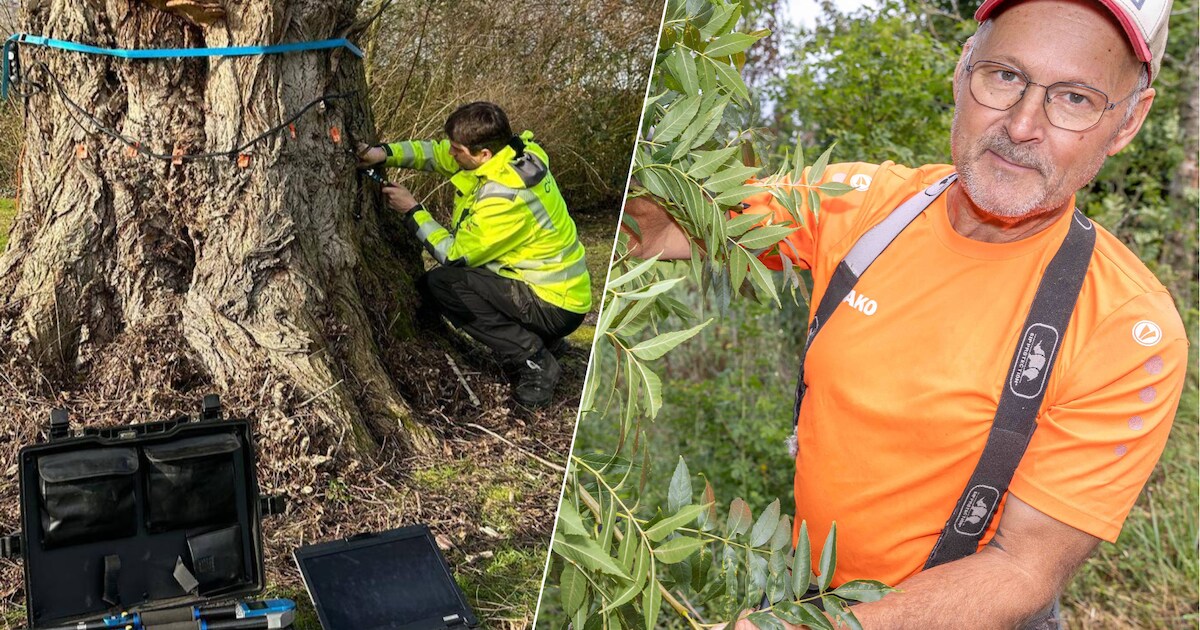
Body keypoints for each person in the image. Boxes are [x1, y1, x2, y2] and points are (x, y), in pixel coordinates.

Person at [624, 0, 1186, 626]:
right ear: (961, 72)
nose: (1023, 123)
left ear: (1129, 120)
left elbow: (1023, 569)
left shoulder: (1126, 328)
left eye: (1075, 98)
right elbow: (665, 224)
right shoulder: (861, 207)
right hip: (799, 588)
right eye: (1003, 75)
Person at [358, 102, 591, 407]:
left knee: (445, 284)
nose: (451, 153)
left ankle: (535, 361)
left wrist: (412, 211)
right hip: (562, 293)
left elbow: (454, 255)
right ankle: (547, 342)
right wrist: (384, 153)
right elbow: (440, 154)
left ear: (483, 155)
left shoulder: (504, 198)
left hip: (552, 304)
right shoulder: (518, 154)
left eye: (458, 149)